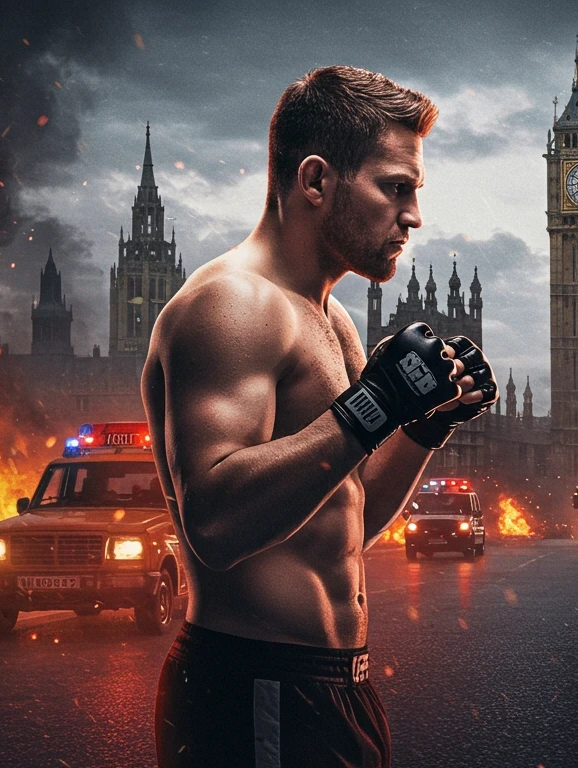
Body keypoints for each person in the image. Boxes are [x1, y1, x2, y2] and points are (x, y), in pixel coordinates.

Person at [143, 66, 497, 768]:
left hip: (336, 690)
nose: (414, 216)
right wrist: (375, 408)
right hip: (254, 687)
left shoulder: (332, 319)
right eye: (396, 188)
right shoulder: (233, 305)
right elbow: (212, 522)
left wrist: (426, 425)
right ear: (315, 181)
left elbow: (348, 514)